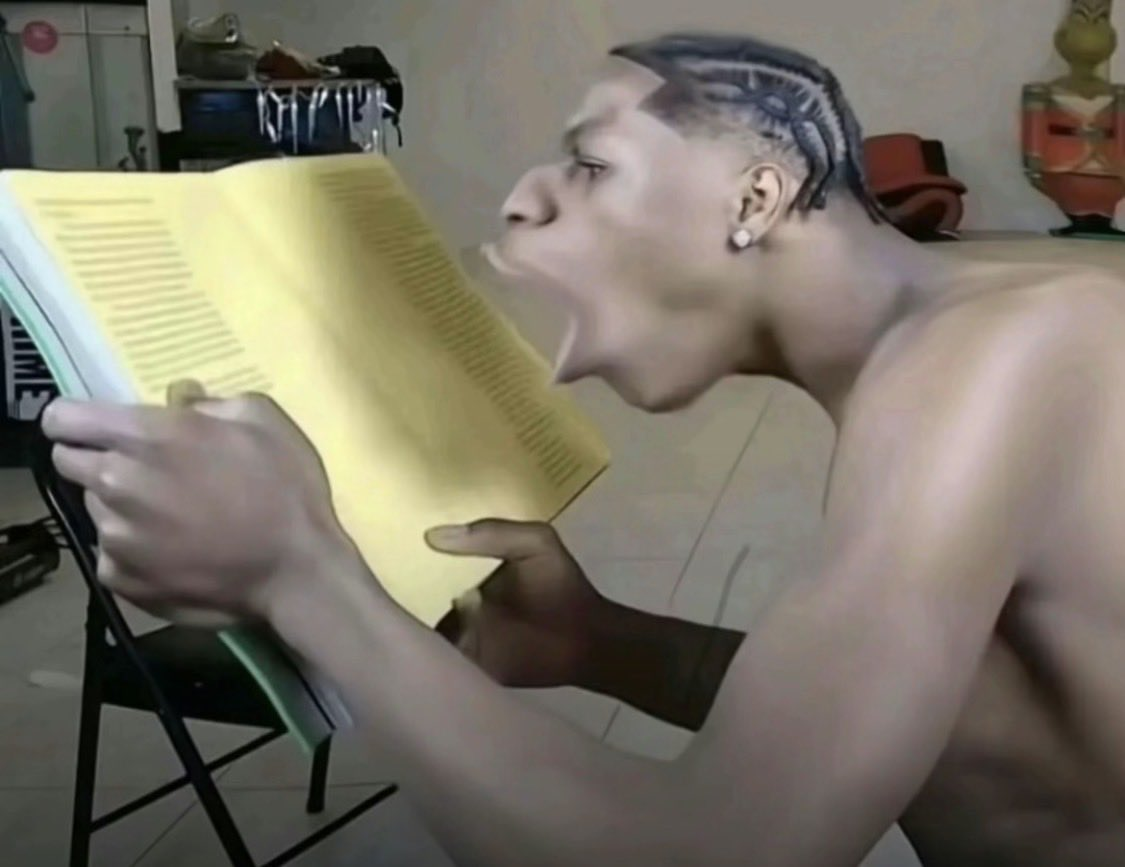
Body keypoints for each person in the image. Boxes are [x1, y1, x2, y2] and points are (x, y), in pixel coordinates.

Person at [40, 32, 1125, 867]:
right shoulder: (964, 350)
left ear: (755, 195)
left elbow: (716, 852)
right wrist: (602, 643)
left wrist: (302, 574)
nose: (523, 198)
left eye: (592, 163)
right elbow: (933, 724)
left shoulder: (999, 360)